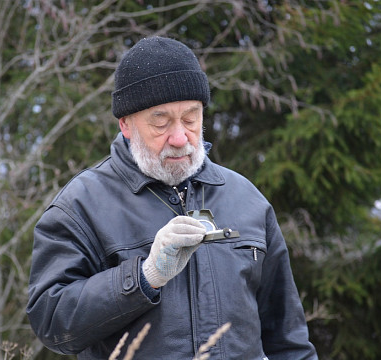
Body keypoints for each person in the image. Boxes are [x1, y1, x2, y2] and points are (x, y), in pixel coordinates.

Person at [27, 36, 317, 360]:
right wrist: (144, 277)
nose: (180, 138)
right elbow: (51, 321)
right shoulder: (80, 207)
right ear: (125, 124)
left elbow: (289, 341)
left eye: (191, 118)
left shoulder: (247, 200)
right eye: (160, 122)